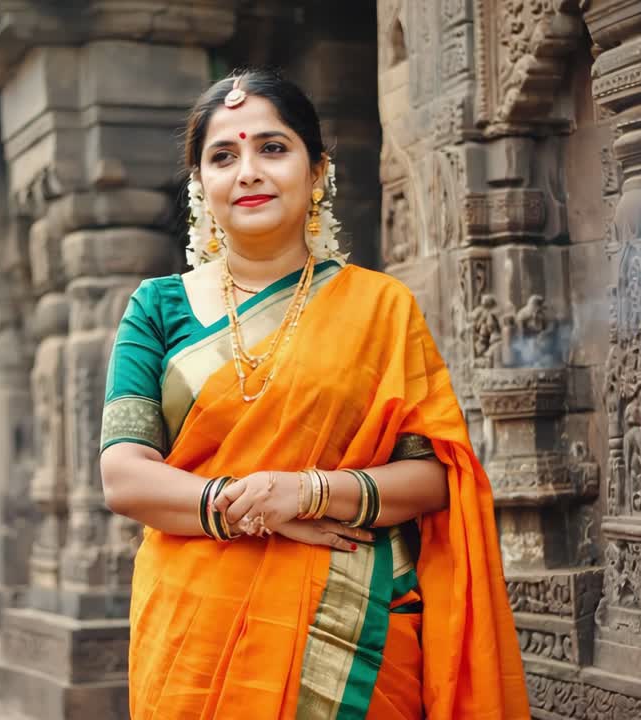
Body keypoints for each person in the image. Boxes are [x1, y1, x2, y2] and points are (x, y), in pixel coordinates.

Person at [99, 69, 528, 720]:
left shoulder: (381, 307)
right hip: (193, 632)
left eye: (272, 148)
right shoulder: (156, 308)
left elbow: (436, 479)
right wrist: (248, 507)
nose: (248, 172)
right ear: (200, 186)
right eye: (223, 156)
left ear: (318, 170)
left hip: (353, 628)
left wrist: (307, 490)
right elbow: (124, 477)